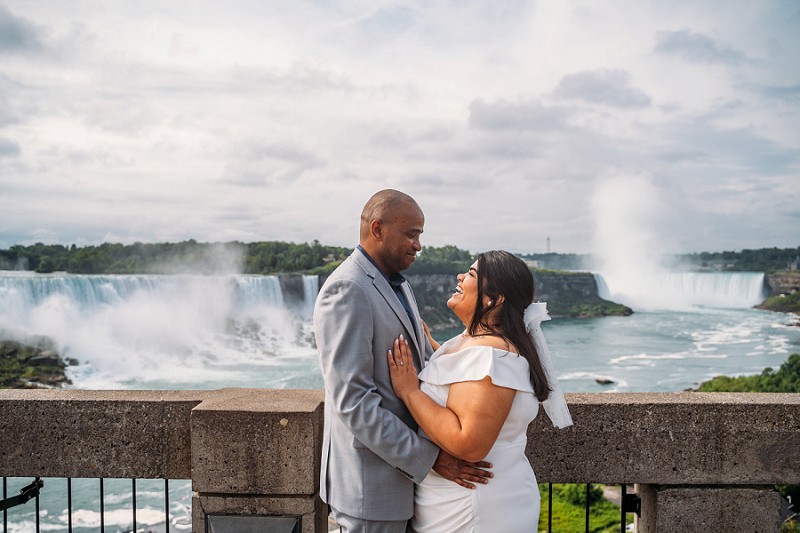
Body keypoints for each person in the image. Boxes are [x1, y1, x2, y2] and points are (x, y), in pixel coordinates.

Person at [314, 189, 492, 533]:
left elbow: (423, 364)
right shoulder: (347, 290)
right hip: (371, 488)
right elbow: (353, 403)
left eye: (420, 235)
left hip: (407, 484)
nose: (418, 245)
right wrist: (432, 458)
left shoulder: (399, 284)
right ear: (378, 229)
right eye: (411, 234)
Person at [388, 250, 573, 532]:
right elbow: (462, 382)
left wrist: (410, 391)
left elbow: (469, 443)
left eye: (472, 274)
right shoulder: (479, 343)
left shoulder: (487, 355)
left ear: (494, 299)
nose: (460, 277)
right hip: (469, 501)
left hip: (473, 510)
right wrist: (430, 346)